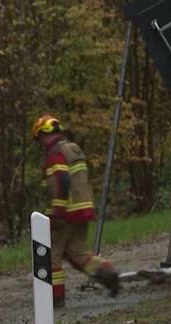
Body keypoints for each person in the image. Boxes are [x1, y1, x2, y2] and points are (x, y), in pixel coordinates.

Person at [32, 115, 120, 307]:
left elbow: (62, 180)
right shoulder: (72, 149)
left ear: (44, 133)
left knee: (50, 256)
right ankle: (108, 272)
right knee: (78, 254)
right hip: (83, 210)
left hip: (65, 212)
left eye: (39, 138)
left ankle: (55, 298)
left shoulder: (54, 152)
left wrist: (57, 209)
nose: (40, 143)